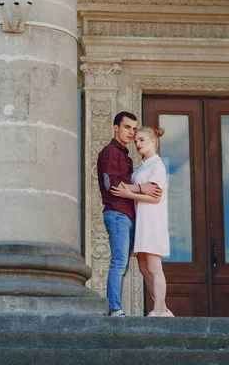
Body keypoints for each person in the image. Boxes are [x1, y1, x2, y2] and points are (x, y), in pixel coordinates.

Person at [97, 113, 161, 317]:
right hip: (117, 214)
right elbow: (113, 186)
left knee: (126, 265)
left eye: (134, 129)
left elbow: (127, 187)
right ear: (116, 127)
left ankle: (161, 308)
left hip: (128, 215)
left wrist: (137, 190)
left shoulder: (127, 156)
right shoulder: (110, 152)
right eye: (127, 127)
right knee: (119, 262)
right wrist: (142, 188)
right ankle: (115, 309)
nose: (131, 133)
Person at [110, 126, 174, 317]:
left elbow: (155, 197)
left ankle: (158, 311)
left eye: (141, 140)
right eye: (136, 141)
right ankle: (163, 309)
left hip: (153, 221)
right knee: (143, 268)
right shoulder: (143, 165)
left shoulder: (157, 165)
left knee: (154, 267)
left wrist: (129, 194)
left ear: (153, 141)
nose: (137, 143)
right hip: (142, 221)